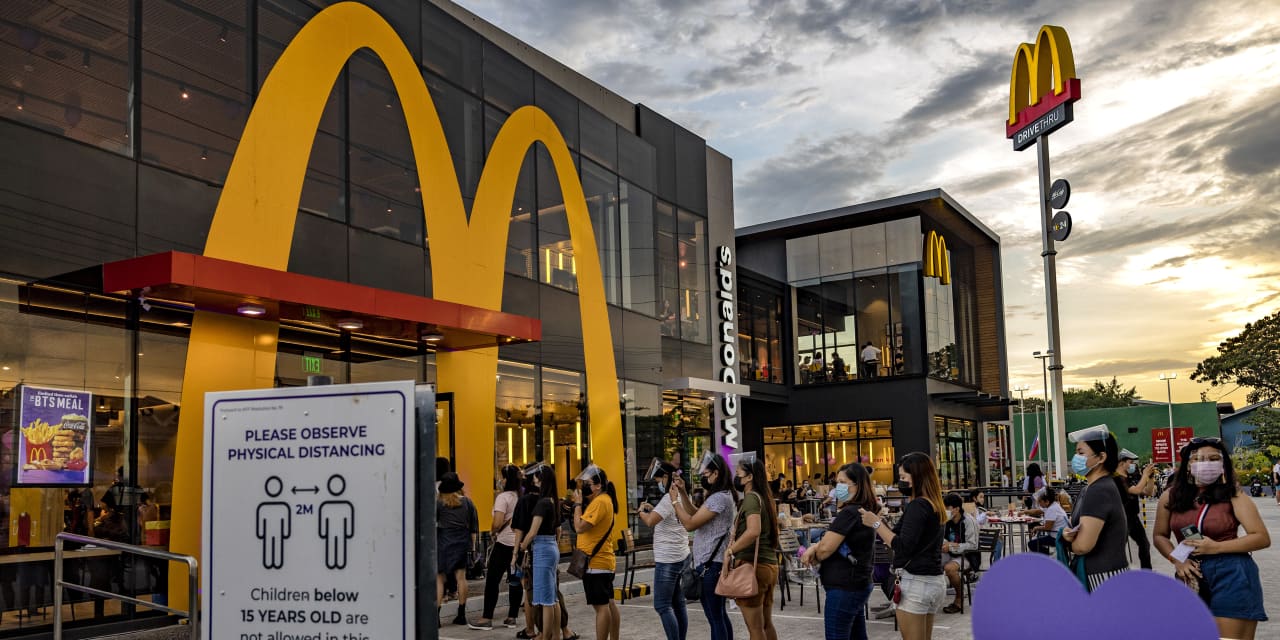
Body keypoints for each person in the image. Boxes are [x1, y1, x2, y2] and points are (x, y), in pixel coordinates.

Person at [1154, 438, 1270, 640]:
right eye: (1198, 459)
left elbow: (1261, 537)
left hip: (1231, 574)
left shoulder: (1234, 495)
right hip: (1190, 576)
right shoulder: (1170, 496)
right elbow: (1159, 535)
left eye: (1214, 459)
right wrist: (1177, 559)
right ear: (1188, 465)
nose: (1206, 463)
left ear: (1223, 464)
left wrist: (1216, 547)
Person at [859, 452, 946, 639]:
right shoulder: (933, 504)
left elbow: (901, 545)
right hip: (933, 581)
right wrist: (880, 521)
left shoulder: (918, 506)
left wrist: (876, 523)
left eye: (904, 477)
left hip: (917, 583)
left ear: (918, 477)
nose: (901, 482)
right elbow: (898, 534)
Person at [801, 463, 876, 640]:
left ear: (857, 485)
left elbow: (826, 548)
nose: (838, 487)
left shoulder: (850, 513)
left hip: (845, 586)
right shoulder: (862, 510)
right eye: (837, 482)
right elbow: (830, 542)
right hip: (856, 583)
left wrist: (815, 552)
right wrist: (815, 547)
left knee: (837, 634)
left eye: (843, 482)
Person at [671, 452, 736, 640]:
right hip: (712, 563)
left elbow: (690, 523)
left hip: (711, 565)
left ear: (716, 474)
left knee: (715, 617)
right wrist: (683, 493)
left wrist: (675, 501)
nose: (704, 478)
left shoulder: (719, 498)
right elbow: (697, 514)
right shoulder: (722, 496)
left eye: (706, 474)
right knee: (719, 615)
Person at [1061, 425, 1128, 592]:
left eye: (1081, 452)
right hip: (1102, 574)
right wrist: (1067, 534)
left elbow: (1083, 545)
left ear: (1101, 457)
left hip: (1101, 578)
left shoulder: (1099, 490)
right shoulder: (1089, 489)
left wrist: (1068, 541)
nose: (1076, 458)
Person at [637, 460, 691, 640]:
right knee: (678, 603)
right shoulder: (682, 495)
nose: (658, 484)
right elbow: (668, 516)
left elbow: (650, 521)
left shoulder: (669, 498)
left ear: (667, 477)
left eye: (659, 480)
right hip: (680, 554)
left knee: (662, 605)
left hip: (668, 559)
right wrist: (653, 510)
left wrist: (642, 512)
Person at [728, 453, 779, 640]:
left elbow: (753, 530)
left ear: (749, 477)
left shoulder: (751, 498)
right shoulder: (765, 498)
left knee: (755, 629)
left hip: (752, 567)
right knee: (766, 624)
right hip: (769, 565)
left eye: (738, 474)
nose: (736, 478)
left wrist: (731, 550)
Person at [469, 464, 523, 630]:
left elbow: (498, 522)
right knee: (515, 581)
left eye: (502, 477)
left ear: (507, 479)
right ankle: (512, 617)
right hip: (518, 544)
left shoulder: (503, 497)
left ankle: (487, 618)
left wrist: (493, 531)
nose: (500, 480)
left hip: (503, 544)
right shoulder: (521, 496)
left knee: (492, 581)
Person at [573, 465, 620, 640]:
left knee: (601, 607)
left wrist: (577, 505)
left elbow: (579, 527)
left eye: (588, 483)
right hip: (602, 562)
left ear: (598, 485)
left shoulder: (600, 502)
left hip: (596, 564)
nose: (584, 487)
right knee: (609, 603)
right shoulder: (604, 500)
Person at [518, 463, 562, 640]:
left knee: (545, 600)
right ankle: (555, 635)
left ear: (541, 479)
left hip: (542, 549)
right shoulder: (552, 501)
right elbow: (558, 529)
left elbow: (532, 532)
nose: (533, 478)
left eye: (536, 475)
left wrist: (522, 545)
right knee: (553, 597)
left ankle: (545, 637)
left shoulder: (543, 503)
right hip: (551, 546)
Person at [437, 472, 478, 626]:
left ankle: (436, 617)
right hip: (462, 542)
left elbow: (432, 523)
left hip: (443, 543)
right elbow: (473, 529)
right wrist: (472, 548)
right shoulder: (468, 502)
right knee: (461, 578)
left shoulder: (438, 503)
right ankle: (461, 615)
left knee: (439, 579)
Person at [1114, 449, 1157, 569]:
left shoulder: (1129, 478)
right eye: (1130, 462)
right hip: (1122, 518)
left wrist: (1150, 478)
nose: (1133, 465)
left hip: (1133, 518)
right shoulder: (1117, 479)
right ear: (1122, 463)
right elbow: (1136, 490)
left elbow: (1147, 492)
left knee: (1144, 544)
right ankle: (1119, 572)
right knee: (1118, 549)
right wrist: (1145, 475)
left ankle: (1146, 572)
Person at [939, 493, 978, 614]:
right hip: (950, 553)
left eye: (947, 508)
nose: (945, 511)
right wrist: (947, 544)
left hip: (967, 556)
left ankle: (959, 598)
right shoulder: (946, 521)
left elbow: (972, 545)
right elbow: (941, 538)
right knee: (930, 562)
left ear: (956, 509)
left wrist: (952, 546)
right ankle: (930, 598)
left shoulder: (968, 521)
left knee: (949, 568)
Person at [1026, 487, 1068, 554]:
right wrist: (1024, 512)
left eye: (1040, 501)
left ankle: (1047, 555)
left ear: (1047, 501)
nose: (1039, 504)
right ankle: (1047, 554)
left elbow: (1047, 527)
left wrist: (1036, 528)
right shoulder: (1053, 505)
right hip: (1059, 534)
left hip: (1057, 537)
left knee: (1032, 544)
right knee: (1036, 540)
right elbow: (1037, 511)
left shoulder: (1052, 509)